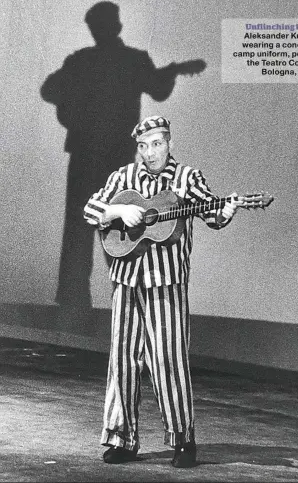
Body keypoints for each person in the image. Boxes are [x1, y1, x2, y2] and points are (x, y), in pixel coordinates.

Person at [83, 115, 242, 468]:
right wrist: (119, 209)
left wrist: (226, 209)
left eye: (156, 144)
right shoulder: (123, 177)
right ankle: (121, 439)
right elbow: (91, 209)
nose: (150, 152)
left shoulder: (187, 178)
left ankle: (184, 441)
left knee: (169, 360)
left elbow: (211, 213)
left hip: (165, 282)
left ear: (168, 143)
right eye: (143, 146)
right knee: (123, 360)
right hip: (126, 279)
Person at [40, 1, 206, 314]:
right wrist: (171, 72)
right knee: (117, 224)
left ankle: (77, 299)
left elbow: (50, 90)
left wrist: (73, 111)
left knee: (89, 223)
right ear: (115, 26)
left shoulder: (83, 61)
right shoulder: (129, 60)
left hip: (89, 153)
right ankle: (127, 296)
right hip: (112, 155)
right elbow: (158, 90)